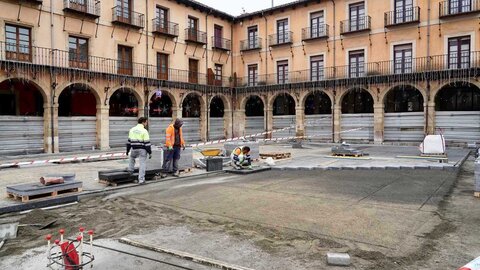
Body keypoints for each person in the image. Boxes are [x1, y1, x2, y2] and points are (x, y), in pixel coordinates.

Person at [126, 117, 152, 184]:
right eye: (146, 122)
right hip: (142, 150)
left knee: (132, 158)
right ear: (143, 122)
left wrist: (127, 150)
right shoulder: (144, 131)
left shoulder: (132, 129)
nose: (146, 124)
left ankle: (130, 170)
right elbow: (147, 143)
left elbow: (129, 142)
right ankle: (141, 180)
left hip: (134, 149)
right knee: (142, 164)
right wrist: (150, 152)